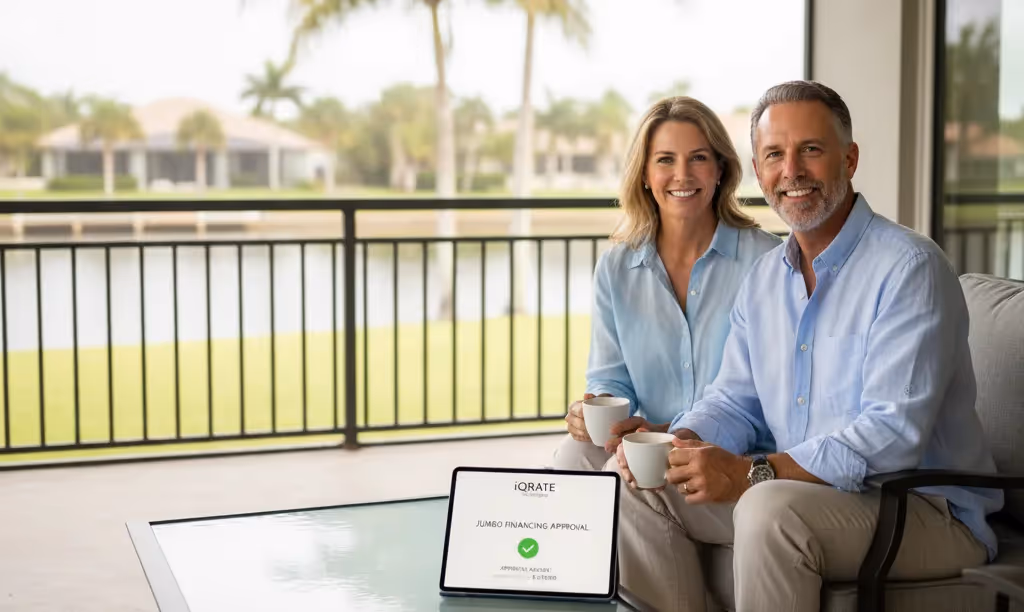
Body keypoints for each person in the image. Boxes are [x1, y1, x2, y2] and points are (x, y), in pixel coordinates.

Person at [611, 80, 1004, 612]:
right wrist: (678, 441)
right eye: (775, 154)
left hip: (921, 508)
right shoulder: (765, 279)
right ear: (758, 167)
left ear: (850, 158)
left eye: (810, 150)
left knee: (768, 509)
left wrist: (753, 472)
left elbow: (891, 435)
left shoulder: (910, 269)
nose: (791, 171)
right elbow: (734, 400)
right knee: (635, 484)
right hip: (804, 491)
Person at [553, 97, 782, 472]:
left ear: (720, 169)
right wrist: (594, 408)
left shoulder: (766, 262)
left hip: (735, 454)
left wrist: (666, 432)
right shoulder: (616, 268)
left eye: (698, 158)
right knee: (572, 455)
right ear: (644, 173)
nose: (682, 175)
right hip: (653, 441)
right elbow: (611, 378)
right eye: (665, 160)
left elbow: (764, 395)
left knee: (620, 475)